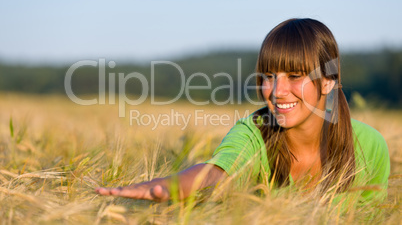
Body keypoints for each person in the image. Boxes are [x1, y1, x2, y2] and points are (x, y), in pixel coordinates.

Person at [95, 18, 390, 207]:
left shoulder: (369, 147)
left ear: (328, 81)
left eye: (295, 76)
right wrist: (166, 187)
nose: (277, 90)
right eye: (268, 76)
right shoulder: (254, 132)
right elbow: (215, 172)